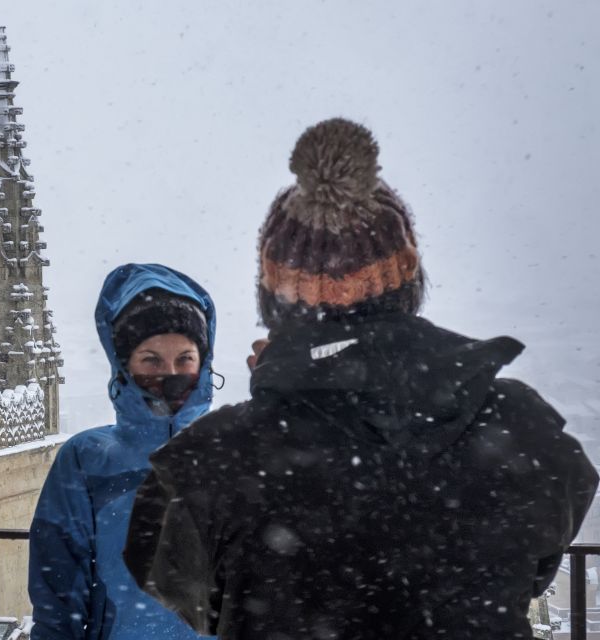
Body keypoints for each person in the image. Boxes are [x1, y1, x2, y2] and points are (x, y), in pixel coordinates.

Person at [124, 118, 599, 639]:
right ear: (409, 277)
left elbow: (188, 594)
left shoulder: (211, 459)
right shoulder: (521, 429)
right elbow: (532, 567)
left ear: (274, 291)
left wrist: (280, 393)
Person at [29, 263, 217, 640]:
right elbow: (59, 596)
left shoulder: (239, 454)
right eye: (151, 360)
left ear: (203, 362)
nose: (169, 373)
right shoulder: (87, 461)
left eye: (184, 359)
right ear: (124, 364)